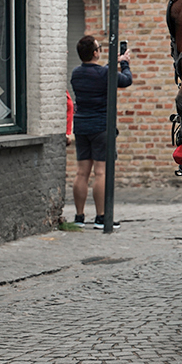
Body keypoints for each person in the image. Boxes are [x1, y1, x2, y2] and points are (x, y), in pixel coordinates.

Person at [70, 35, 132, 229]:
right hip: (101, 127)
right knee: (101, 173)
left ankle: (79, 217)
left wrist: (114, 63)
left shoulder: (76, 73)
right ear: (95, 53)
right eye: (99, 48)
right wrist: (125, 64)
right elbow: (126, 80)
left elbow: (98, 72)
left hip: (81, 127)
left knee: (81, 173)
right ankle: (101, 217)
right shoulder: (105, 74)